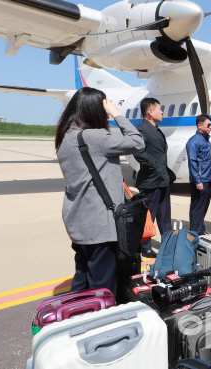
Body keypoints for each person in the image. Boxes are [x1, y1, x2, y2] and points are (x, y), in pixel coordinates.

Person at [56, 87, 145, 297]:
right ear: (94, 110)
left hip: (77, 221)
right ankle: (101, 324)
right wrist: (117, 114)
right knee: (103, 287)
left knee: (82, 277)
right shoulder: (96, 137)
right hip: (100, 225)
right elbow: (138, 142)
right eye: (103, 109)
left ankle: (76, 318)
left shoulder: (65, 137)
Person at [135, 98, 174, 259]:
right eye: (159, 109)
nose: (162, 111)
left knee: (165, 216)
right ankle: (145, 247)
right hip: (151, 181)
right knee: (148, 217)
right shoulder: (142, 129)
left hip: (162, 180)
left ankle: (168, 244)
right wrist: (154, 166)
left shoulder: (156, 129)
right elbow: (138, 151)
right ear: (150, 111)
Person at [186, 114, 211, 235]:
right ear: (199, 125)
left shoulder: (206, 140)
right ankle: (195, 232)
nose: (210, 127)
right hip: (200, 181)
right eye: (208, 125)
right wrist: (197, 181)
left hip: (208, 178)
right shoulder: (193, 142)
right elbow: (192, 163)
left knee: (204, 206)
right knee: (197, 208)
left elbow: (210, 160)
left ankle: (201, 229)